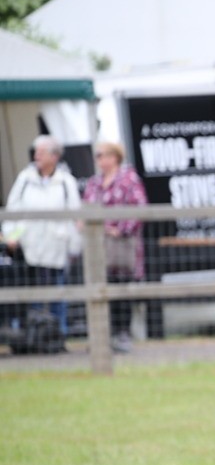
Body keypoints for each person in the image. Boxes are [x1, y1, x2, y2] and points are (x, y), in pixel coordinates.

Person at [3, 135, 81, 339]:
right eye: (36, 152)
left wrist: (74, 246)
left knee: (58, 292)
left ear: (54, 156)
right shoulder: (25, 179)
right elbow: (14, 212)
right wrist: (12, 237)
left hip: (57, 246)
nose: (36, 156)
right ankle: (31, 337)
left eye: (41, 152)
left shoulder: (66, 182)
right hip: (29, 247)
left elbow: (75, 217)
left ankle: (59, 336)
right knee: (32, 293)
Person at [83, 141, 148, 353]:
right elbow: (85, 209)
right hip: (97, 246)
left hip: (122, 245)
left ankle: (122, 334)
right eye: (97, 155)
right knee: (100, 288)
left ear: (114, 157)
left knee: (122, 289)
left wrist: (120, 230)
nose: (99, 159)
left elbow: (140, 208)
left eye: (102, 155)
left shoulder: (128, 179)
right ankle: (102, 336)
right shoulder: (94, 182)